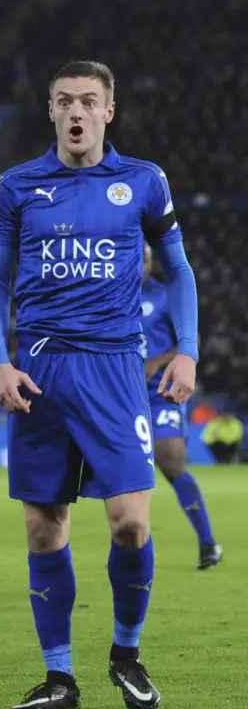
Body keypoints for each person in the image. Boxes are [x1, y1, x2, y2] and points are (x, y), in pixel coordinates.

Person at [0, 61, 198, 709]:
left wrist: (186, 350)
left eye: (89, 101)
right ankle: (59, 677)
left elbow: (180, 270)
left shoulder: (144, 182)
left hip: (113, 371)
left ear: (109, 111)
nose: (77, 112)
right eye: (65, 101)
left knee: (131, 523)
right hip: (39, 372)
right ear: (50, 111)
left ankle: (125, 657)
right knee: (45, 530)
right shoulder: (16, 187)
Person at [141, 242, 222, 569]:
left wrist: (157, 363)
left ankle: (207, 542)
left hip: (162, 392)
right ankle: (130, 548)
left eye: (144, 259)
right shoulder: (109, 296)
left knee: (171, 461)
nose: (138, 264)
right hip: (121, 395)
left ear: (151, 263)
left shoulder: (165, 296)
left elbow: (191, 342)